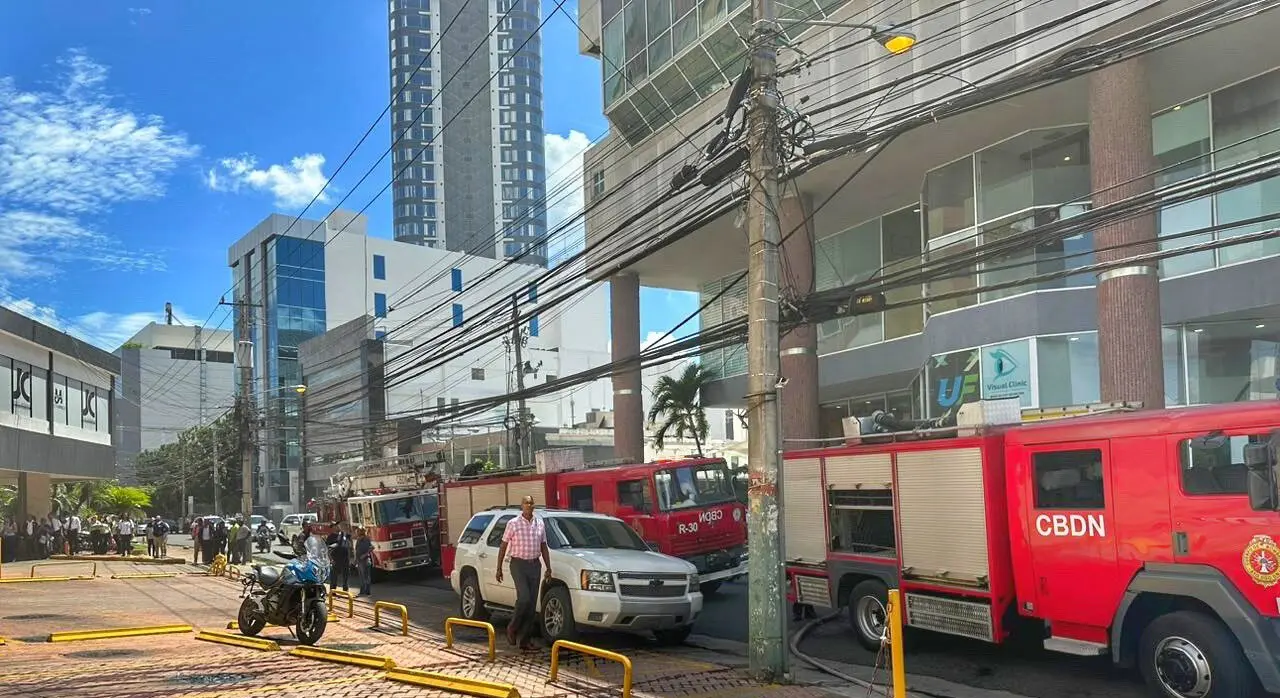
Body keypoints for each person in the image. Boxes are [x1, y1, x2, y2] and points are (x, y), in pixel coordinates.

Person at [495, 496, 551, 650]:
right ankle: (512, 627)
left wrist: (548, 567)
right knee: (524, 598)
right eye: (526, 503)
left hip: (535, 565)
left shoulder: (539, 523)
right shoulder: (513, 523)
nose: (529, 505)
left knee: (532, 605)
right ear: (521, 506)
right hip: (518, 564)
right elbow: (503, 545)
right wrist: (499, 568)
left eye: (531, 502)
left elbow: (544, 546)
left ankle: (525, 641)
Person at [326, 522, 352, 593]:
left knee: (345, 575)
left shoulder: (345, 535)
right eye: (335, 526)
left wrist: (349, 558)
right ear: (333, 528)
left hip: (345, 558)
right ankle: (332, 591)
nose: (337, 527)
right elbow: (327, 549)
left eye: (337, 525)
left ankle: (345, 590)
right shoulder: (330, 537)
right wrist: (331, 560)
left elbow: (349, 546)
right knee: (334, 576)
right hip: (335, 559)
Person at [354, 527, 374, 597]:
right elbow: (357, 550)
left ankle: (368, 592)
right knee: (361, 577)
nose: (356, 533)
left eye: (357, 531)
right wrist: (356, 560)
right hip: (360, 561)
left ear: (361, 532)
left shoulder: (366, 539)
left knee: (366, 577)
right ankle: (362, 591)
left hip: (365, 560)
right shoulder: (358, 540)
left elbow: (372, 547)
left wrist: (365, 555)